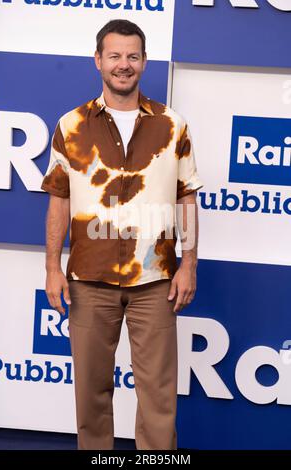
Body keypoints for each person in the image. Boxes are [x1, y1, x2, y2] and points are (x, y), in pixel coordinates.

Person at [41, 19, 203, 450]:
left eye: (132, 56)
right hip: (88, 280)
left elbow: (186, 197)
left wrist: (189, 264)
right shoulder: (71, 125)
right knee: (91, 397)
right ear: (98, 61)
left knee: (158, 398)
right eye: (114, 55)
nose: (123, 65)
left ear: (145, 62)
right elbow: (59, 200)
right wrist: (52, 268)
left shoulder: (173, 125)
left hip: (157, 282)